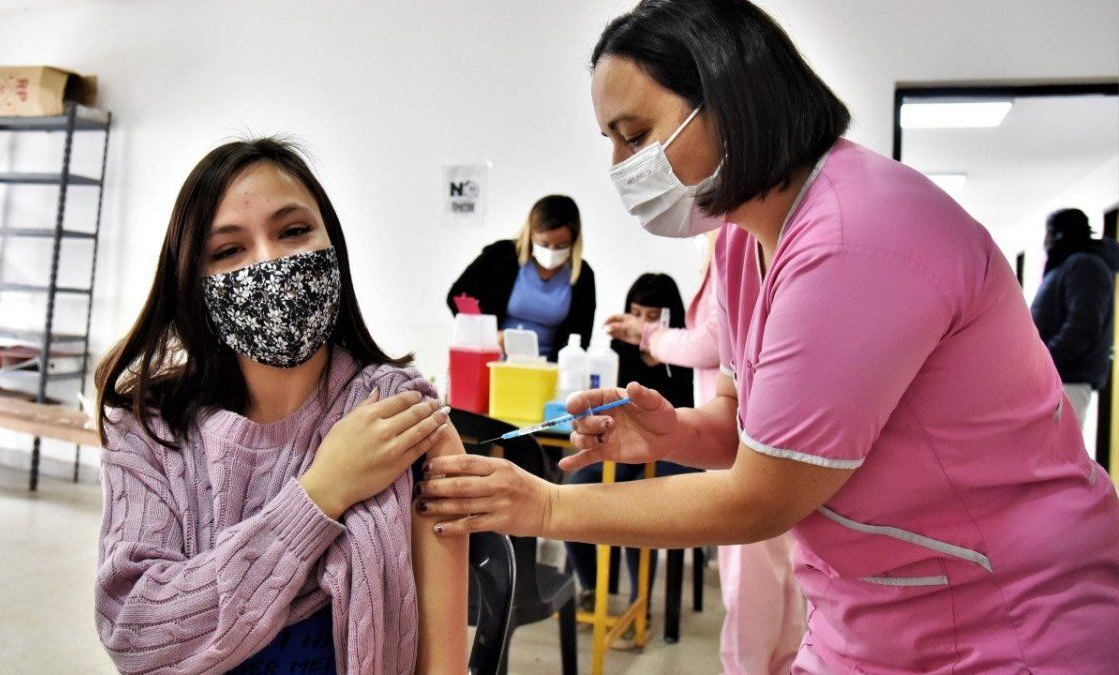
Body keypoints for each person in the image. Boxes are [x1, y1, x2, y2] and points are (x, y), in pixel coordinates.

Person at [416, 2, 1119, 673]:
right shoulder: (741, 240)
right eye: (613, 143)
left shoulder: (860, 235)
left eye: (636, 135)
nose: (622, 168)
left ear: (730, 99)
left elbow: (762, 496)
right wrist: (673, 434)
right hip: (872, 613)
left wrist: (544, 505)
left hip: (1006, 615)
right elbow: (743, 423)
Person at [92, 138, 467, 674]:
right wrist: (320, 493)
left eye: (292, 231)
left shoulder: (400, 420)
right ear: (194, 283)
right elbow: (134, 632)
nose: (270, 262)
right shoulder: (149, 431)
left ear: (332, 243)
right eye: (228, 250)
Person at [607, 234, 804, 674]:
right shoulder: (749, 240)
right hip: (752, 430)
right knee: (777, 572)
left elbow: (714, 342)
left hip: (748, 437)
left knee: (752, 579)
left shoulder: (737, 240)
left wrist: (649, 336)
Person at [563, 272, 694, 648]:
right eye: (635, 314)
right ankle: (591, 588)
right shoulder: (615, 350)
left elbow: (691, 414)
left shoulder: (686, 354)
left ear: (670, 319)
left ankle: (640, 603)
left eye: (651, 317)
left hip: (676, 449)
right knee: (575, 491)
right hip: (626, 447)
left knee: (642, 505)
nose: (640, 324)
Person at [447, 194, 596, 359]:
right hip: (496, 361)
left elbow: (581, 338)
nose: (552, 251)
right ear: (530, 234)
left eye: (562, 246)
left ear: (574, 241)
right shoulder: (501, 255)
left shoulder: (582, 275)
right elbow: (458, 296)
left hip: (548, 367)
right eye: (544, 244)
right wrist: (487, 334)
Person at [1031, 208, 1119, 431]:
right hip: (1059, 376)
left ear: (1059, 235)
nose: (1045, 241)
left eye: (1049, 233)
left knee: (1057, 447)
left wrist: (1047, 358)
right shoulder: (1071, 265)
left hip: (1067, 377)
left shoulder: (1084, 265)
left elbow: (1083, 324)